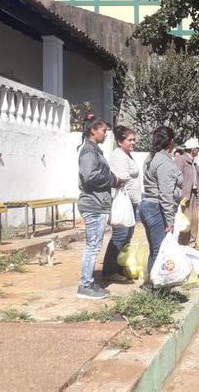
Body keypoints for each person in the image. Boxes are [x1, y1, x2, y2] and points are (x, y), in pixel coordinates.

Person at [77, 115, 122, 299]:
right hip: (93, 204)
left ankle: (89, 282)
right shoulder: (88, 151)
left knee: (94, 245)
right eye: (103, 131)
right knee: (92, 246)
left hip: (98, 203)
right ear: (93, 130)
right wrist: (113, 180)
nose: (105, 134)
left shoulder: (95, 151)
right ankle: (85, 285)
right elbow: (90, 177)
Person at [139, 126, 183, 276]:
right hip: (156, 208)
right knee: (159, 251)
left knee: (155, 250)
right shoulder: (164, 162)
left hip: (148, 205)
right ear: (170, 142)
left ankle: (154, 285)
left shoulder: (151, 158)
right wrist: (170, 220)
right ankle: (159, 289)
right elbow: (166, 194)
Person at [102, 126, 141, 280]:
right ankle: (109, 270)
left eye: (134, 140)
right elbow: (121, 180)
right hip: (122, 202)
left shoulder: (127, 155)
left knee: (127, 236)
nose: (133, 143)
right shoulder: (119, 157)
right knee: (120, 235)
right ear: (120, 141)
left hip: (130, 203)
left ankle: (120, 267)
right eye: (129, 140)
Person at [175, 138, 199, 245]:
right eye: (197, 149)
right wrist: (181, 195)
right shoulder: (181, 160)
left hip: (194, 194)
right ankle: (183, 242)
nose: (198, 151)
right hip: (185, 195)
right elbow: (177, 178)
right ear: (193, 150)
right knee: (186, 220)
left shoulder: (193, 162)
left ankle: (192, 241)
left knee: (195, 219)